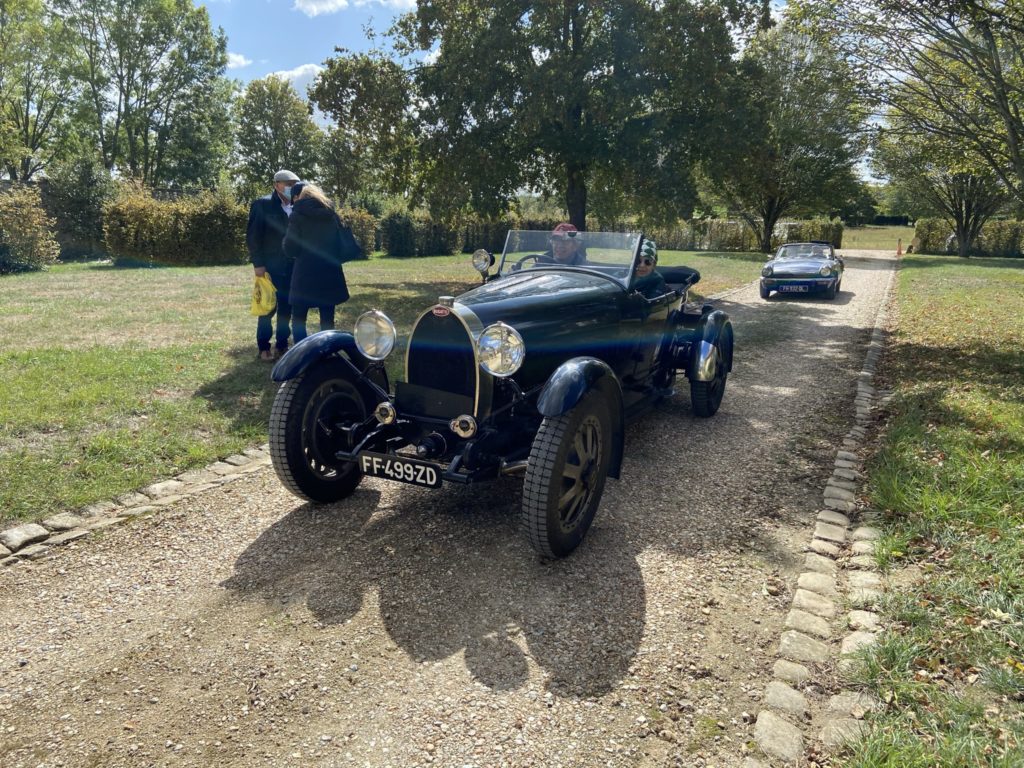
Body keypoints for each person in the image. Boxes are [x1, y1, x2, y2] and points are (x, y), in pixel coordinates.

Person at [283, 181, 359, 343]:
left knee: (298, 316)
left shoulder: (297, 216)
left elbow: (290, 248)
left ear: (301, 197)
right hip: (329, 270)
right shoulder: (331, 214)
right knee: (327, 317)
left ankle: (301, 353)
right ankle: (327, 351)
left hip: (305, 272)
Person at [247, 169, 298, 360]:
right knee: (268, 307)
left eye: (294, 184)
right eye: (288, 184)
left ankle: (282, 345)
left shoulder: (297, 206)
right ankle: (263, 347)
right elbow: (253, 237)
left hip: (292, 266)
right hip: (270, 265)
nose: (291, 188)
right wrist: (258, 264)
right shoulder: (263, 205)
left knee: (287, 308)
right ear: (277, 185)